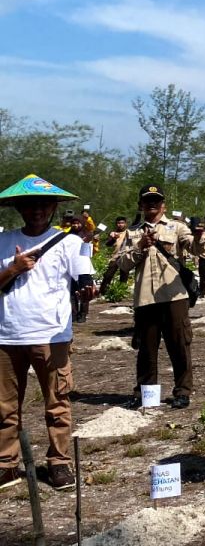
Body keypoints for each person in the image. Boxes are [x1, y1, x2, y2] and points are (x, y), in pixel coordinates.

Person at [0, 174, 96, 491]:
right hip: (7, 336)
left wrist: (86, 290)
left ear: (54, 207)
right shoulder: (2, 241)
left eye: (43, 204)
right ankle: (6, 464)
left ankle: (59, 463)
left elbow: (84, 276)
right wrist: (13, 269)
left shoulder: (70, 242)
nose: (37, 210)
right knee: (4, 407)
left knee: (57, 403)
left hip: (51, 335)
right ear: (18, 208)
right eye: (29, 205)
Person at [116, 184, 196, 409]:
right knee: (146, 350)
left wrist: (200, 236)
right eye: (147, 201)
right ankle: (147, 395)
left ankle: (182, 391)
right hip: (145, 299)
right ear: (141, 205)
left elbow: (195, 246)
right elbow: (122, 263)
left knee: (180, 345)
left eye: (156, 200)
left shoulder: (177, 227)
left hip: (174, 297)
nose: (152, 205)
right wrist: (140, 246)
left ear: (164, 205)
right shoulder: (132, 232)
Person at [100, 216, 131, 294]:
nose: (120, 225)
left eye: (122, 223)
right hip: (115, 257)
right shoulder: (113, 233)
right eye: (118, 223)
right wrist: (113, 238)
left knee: (124, 275)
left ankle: (121, 292)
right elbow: (108, 244)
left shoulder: (129, 232)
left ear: (125, 224)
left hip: (125, 256)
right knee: (108, 275)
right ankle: (103, 292)